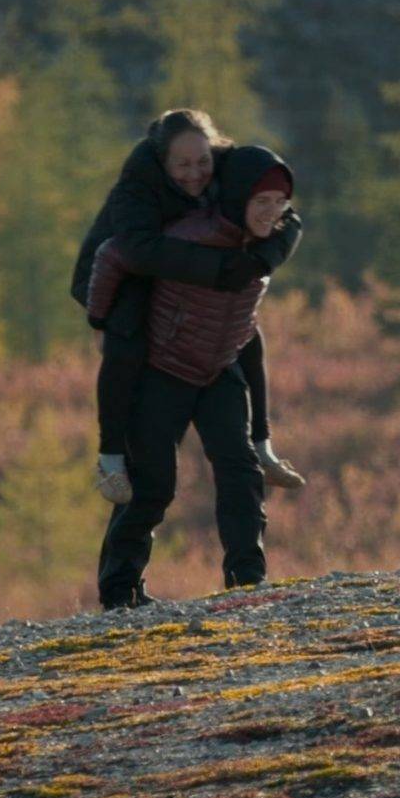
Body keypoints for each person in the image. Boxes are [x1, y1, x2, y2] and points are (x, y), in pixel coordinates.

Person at [80, 131, 300, 609]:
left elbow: (288, 228)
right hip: (163, 370)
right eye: (261, 200)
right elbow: (112, 253)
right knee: (153, 485)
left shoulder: (269, 240)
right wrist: (100, 320)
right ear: (240, 195)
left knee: (240, 470)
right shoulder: (189, 233)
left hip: (219, 369)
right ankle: (120, 592)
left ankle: (247, 578)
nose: (271, 211)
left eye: (279, 202)